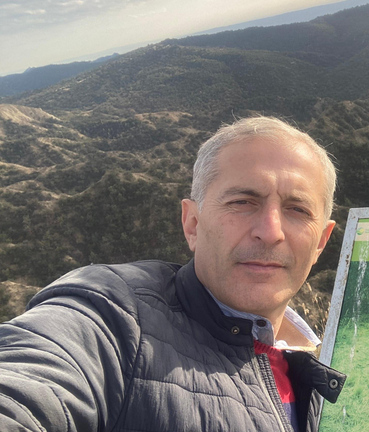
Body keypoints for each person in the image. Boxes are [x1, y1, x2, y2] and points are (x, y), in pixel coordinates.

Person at [0, 116, 346, 432]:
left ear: (320, 243)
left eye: (298, 210)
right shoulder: (115, 318)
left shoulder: (328, 365)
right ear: (192, 224)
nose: (271, 232)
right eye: (242, 202)